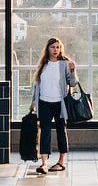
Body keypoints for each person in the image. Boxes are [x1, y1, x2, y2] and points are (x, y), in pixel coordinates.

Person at [31, 36, 78, 174]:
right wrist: (34, 102)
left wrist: (73, 71)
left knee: (61, 131)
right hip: (44, 103)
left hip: (59, 103)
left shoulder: (65, 64)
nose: (55, 50)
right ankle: (44, 164)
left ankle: (61, 162)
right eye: (53, 47)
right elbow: (37, 86)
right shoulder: (43, 64)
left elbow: (73, 83)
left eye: (58, 47)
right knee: (44, 132)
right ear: (48, 49)